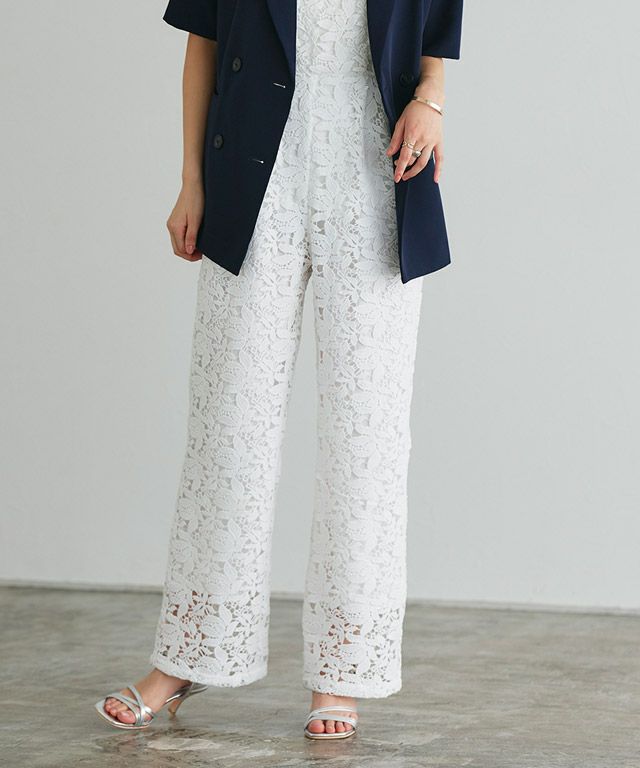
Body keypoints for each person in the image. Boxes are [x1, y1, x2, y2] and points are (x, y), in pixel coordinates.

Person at [95, 0, 463, 740]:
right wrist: (192, 179)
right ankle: (189, 654)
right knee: (228, 429)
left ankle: (343, 671)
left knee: (366, 436)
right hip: (253, 181)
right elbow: (202, 44)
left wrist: (432, 101)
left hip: (376, 180)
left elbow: (438, 34)